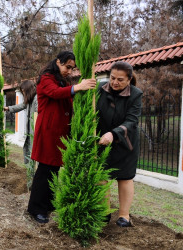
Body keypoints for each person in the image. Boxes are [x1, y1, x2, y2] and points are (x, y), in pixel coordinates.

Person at [28, 51, 97, 223]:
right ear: (58, 61)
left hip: (60, 132)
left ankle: (48, 204)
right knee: (44, 170)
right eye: (67, 67)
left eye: (72, 68)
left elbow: (66, 99)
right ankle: (36, 208)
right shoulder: (46, 79)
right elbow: (56, 93)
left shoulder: (61, 80)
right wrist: (78, 87)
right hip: (48, 131)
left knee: (54, 169)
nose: (70, 71)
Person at [97, 61, 143, 227]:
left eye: (120, 80)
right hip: (103, 142)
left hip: (125, 143)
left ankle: (124, 216)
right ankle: (103, 212)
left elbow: (132, 121)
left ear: (129, 79)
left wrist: (113, 133)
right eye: (112, 78)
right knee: (101, 177)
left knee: (124, 178)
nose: (115, 82)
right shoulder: (99, 89)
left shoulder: (136, 95)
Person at [4, 80, 38, 165]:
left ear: (28, 89)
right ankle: (31, 172)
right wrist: (9, 108)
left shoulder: (37, 99)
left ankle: (33, 173)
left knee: (34, 152)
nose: (23, 93)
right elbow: (22, 105)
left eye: (24, 91)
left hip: (36, 132)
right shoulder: (29, 100)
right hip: (30, 132)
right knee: (29, 150)